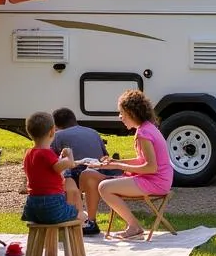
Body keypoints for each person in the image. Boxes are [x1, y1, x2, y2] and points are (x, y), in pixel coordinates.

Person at [97, 89, 173, 240]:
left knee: (104, 187)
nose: (120, 117)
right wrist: (117, 162)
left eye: (122, 113)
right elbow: (142, 160)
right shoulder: (147, 128)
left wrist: (119, 166)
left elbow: (151, 167)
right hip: (159, 179)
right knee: (103, 181)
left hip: (156, 181)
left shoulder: (143, 134)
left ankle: (134, 227)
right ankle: (133, 226)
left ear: (132, 112)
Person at [51, 107, 120, 236]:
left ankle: (71, 219)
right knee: (84, 174)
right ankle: (91, 221)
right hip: (99, 173)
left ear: (56, 125)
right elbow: (104, 155)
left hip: (76, 177)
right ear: (74, 119)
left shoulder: (58, 136)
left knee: (65, 174)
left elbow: (52, 161)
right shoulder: (93, 132)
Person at [20, 111, 81, 224]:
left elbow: (47, 170)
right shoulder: (46, 153)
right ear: (53, 131)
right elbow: (64, 166)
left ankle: (42, 242)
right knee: (80, 214)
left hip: (32, 207)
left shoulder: (28, 153)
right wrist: (69, 155)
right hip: (51, 206)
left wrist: (60, 159)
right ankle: (66, 241)